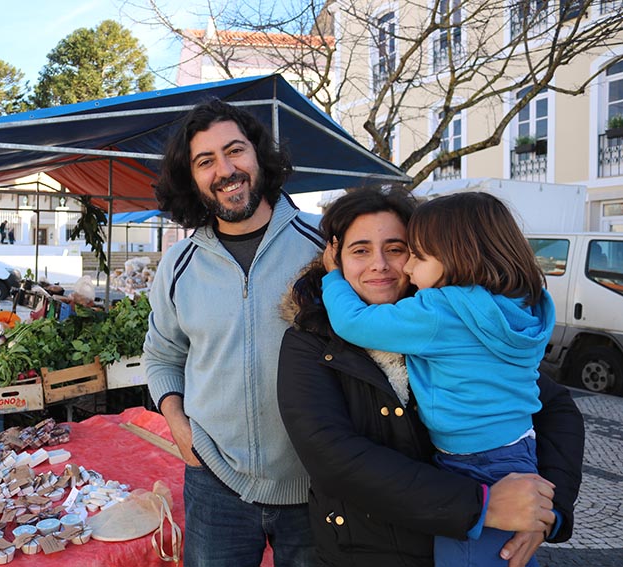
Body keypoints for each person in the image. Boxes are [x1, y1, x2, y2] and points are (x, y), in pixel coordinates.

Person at [277, 188, 584, 567]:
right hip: (368, 553)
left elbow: (556, 407)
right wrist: (481, 507)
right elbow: (334, 457)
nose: (383, 265)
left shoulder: (458, 323)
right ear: (335, 260)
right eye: (360, 251)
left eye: (398, 248)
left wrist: (544, 510)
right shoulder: (309, 341)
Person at [143, 98, 324, 566]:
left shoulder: (325, 247)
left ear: (259, 155)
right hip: (214, 484)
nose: (226, 169)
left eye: (235, 150)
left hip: (318, 482)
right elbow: (162, 356)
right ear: (193, 177)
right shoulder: (178, 266)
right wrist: (178, 425)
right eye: (206, 161)